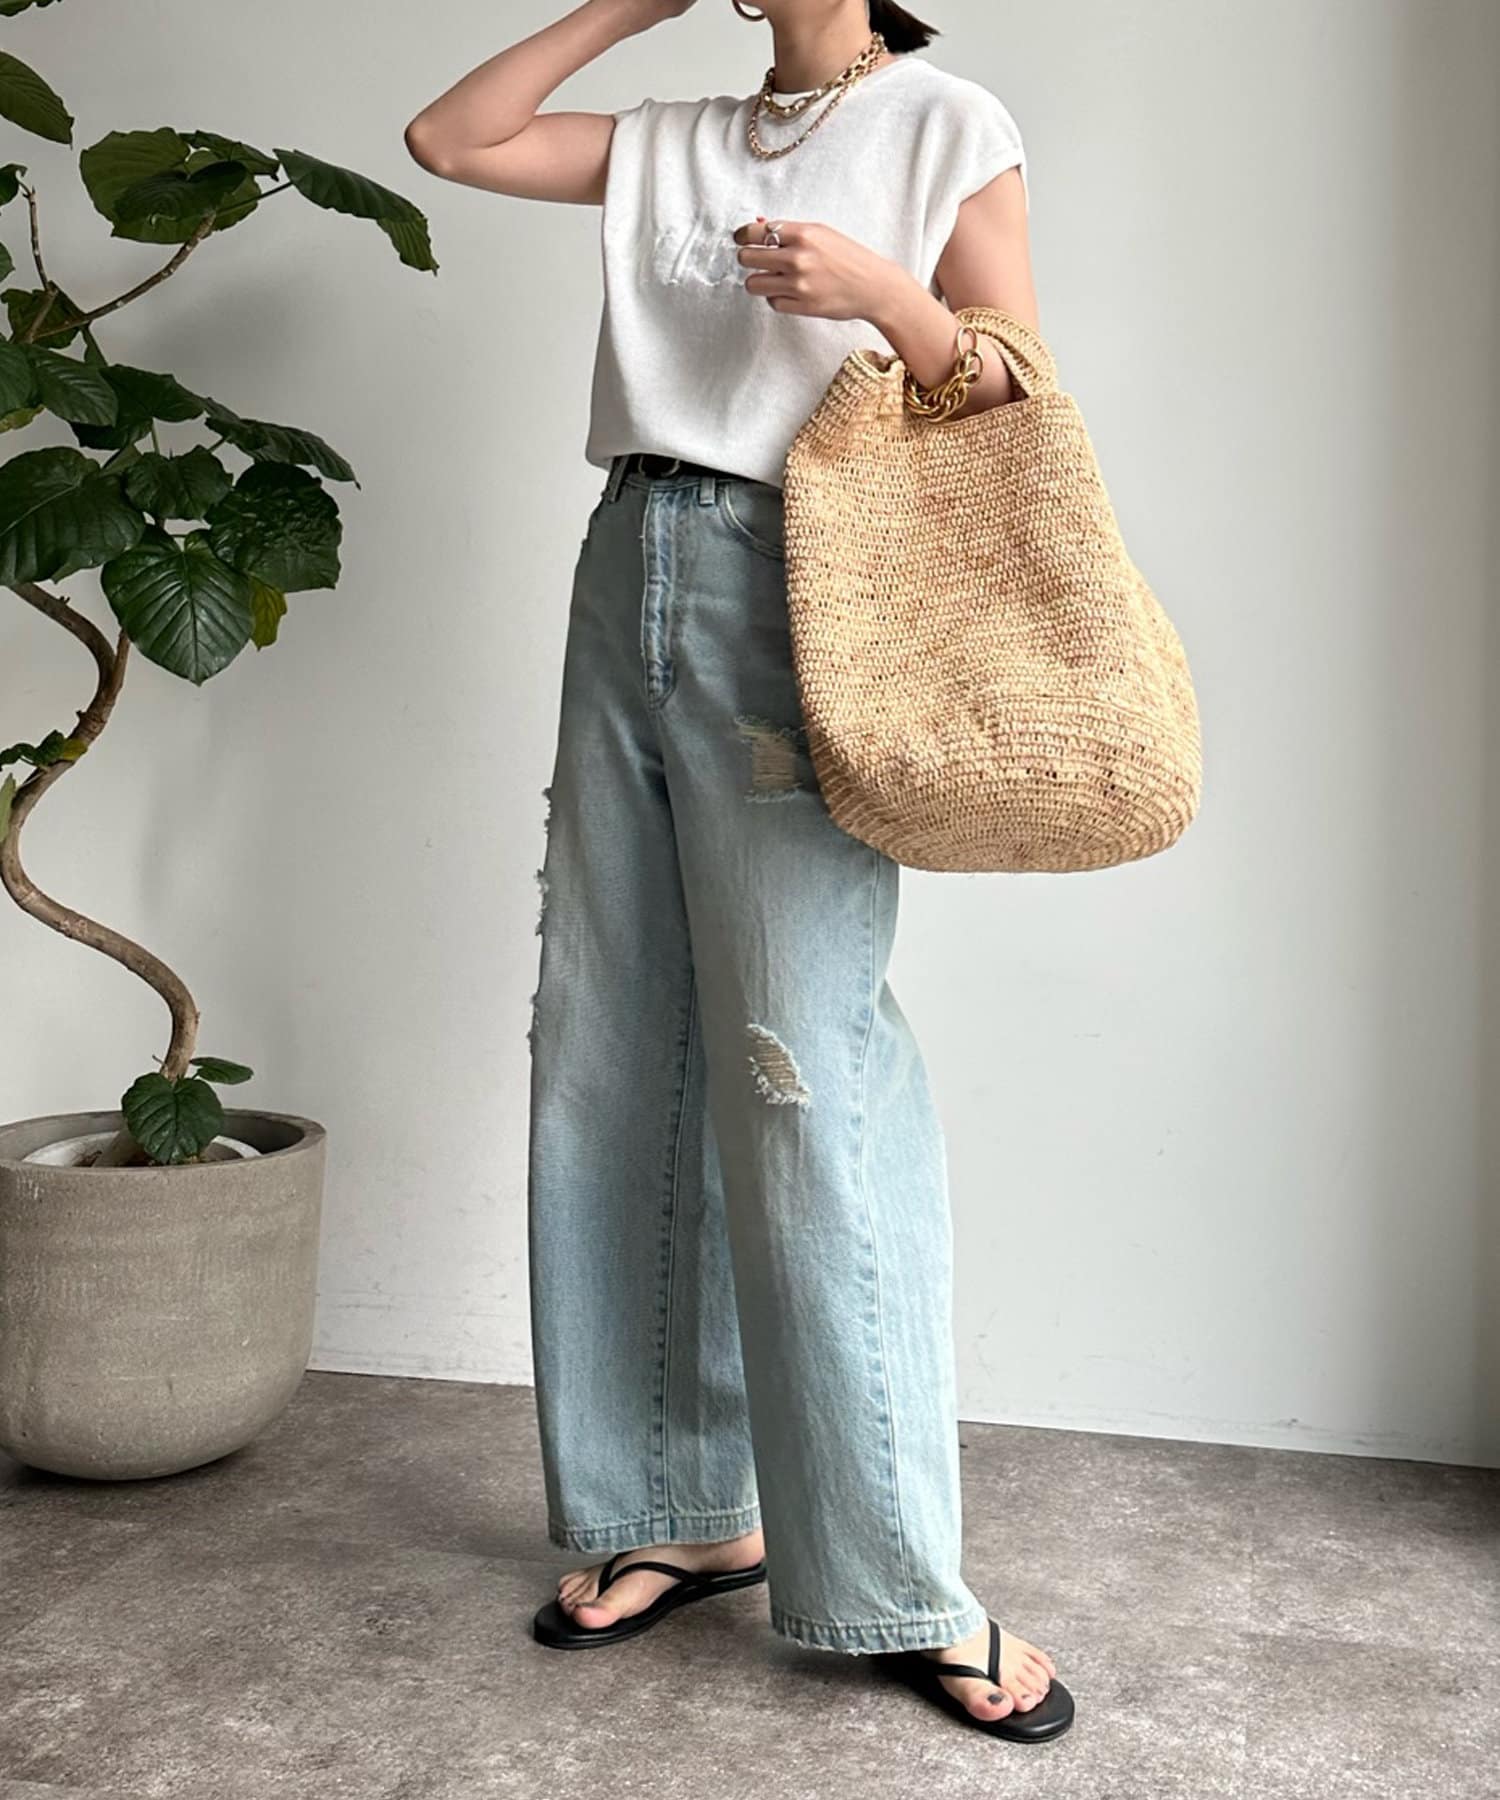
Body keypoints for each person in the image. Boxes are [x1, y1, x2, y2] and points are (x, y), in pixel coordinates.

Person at [405, 0, 1072, 1744]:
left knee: (801, 1070)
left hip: (806, 578)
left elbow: (1017, 384)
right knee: (613, 1044)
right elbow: (451, 140)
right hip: (627, 558)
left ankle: (902, 1576)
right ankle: (682, 1508)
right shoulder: (677, 134)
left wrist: (886, 296)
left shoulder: (946, 122)